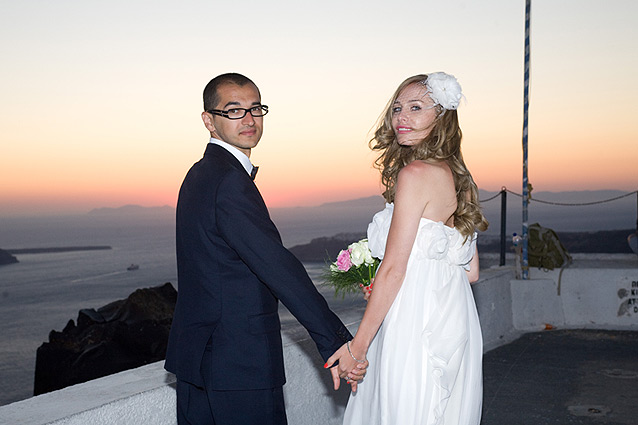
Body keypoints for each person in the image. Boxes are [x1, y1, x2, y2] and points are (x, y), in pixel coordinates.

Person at [165, 73, 366, 425]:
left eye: (255, 108)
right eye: (234, 110)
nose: (249, 119)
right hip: (237, 362)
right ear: (209, 121)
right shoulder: (229, 182)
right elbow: (279, 268)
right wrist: (335, 342)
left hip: (197, 356)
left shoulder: (198, 174)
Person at [327, 72, 489, 424]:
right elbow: (471, 272)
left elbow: (395, 268)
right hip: (452, 315)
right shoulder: (457, 177)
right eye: (398, 108)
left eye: (416, 107)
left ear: (441, 116)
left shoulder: (415, 174)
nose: (402, 117)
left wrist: (358, 347)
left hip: (415, 321)